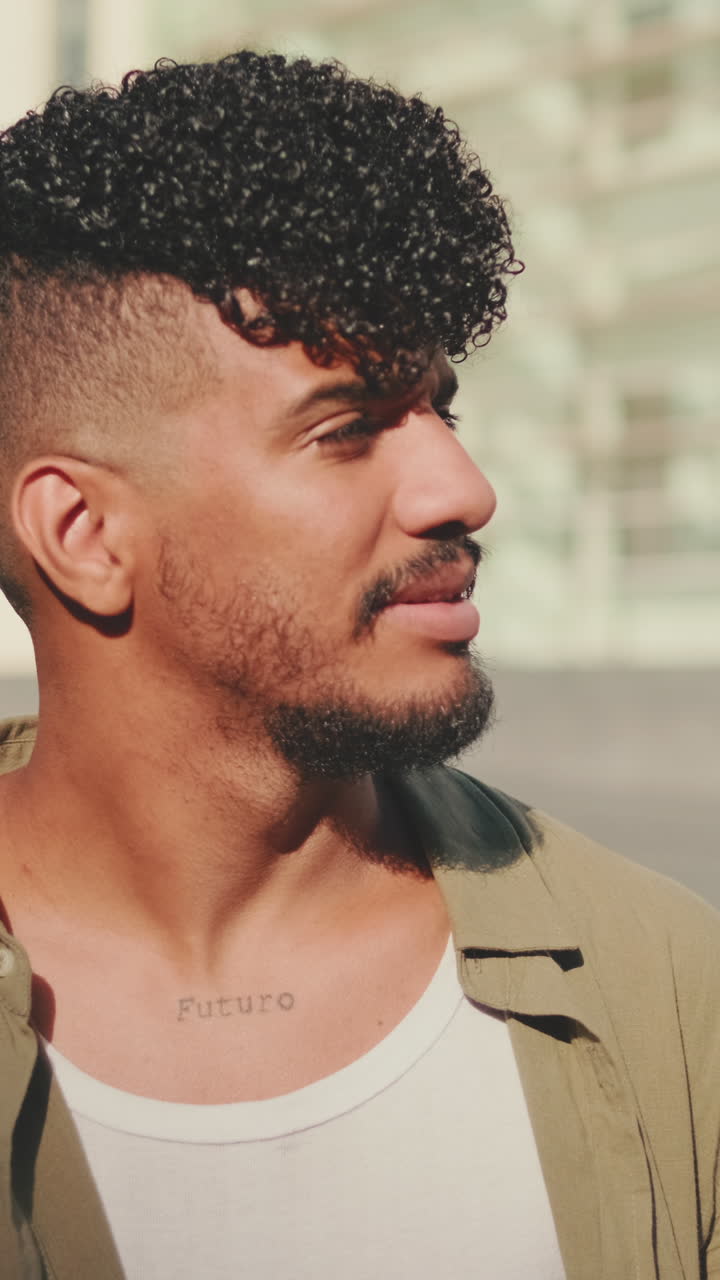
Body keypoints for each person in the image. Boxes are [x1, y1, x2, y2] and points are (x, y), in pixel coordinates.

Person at [0, 51, 717, 1280]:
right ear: (85, 534)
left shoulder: (673, 991)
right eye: (346, 429)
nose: (463, 490)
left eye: (444, 407)